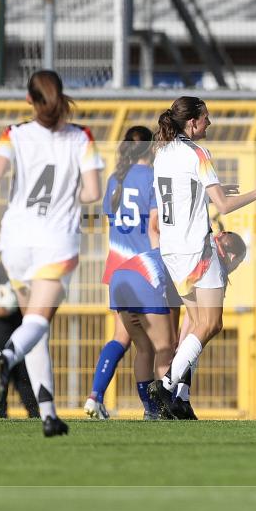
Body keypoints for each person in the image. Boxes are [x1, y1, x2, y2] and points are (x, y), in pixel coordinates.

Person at [0, 70, 104, 437]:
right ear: (61, 97)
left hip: (15, 241)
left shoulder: (14, 133)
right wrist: (68, 195)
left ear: (29, 101)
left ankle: (48, 415)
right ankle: (5, 359)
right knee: (37, 324)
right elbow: (92, 192)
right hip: (55, 240)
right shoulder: (81, 137)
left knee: (36, 329)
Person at [146, 96, 256, 418]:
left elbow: (188, 192)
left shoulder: (162, 152)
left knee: (195, 324)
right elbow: (223, 206)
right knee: (211, 323)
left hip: (172, 250)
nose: (210, 123)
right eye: (206, 118)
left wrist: (224, 188)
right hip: (196, 248)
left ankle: (179, 397)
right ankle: (166, 384)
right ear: (192, 122)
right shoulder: (198, 153)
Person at [112, 231, 246, 420]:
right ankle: (165, 401)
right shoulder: (212, 261)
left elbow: (191, 319)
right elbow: (198, 323)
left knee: (144, 351)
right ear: (232, 257)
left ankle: (152, 409)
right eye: (237, 263)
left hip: (121, 274)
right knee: (168, 348)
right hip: (147, 277)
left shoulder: (193, 241)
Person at [84, 126, 160, 420]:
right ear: (151, 148)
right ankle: (151, 408)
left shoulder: (115, 178)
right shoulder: (152, 178)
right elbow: (154, 226)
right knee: (152, 344)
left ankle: (95, 397)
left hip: (116, 270)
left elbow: (112, 219)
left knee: (121, 337)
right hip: (143, 268)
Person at [0, 266, 39, 419]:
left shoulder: (28, 273)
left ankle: (32, 412)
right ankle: (1, 411)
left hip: (20, 325)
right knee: (2, 368)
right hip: (1, 328)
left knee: (21, 372)